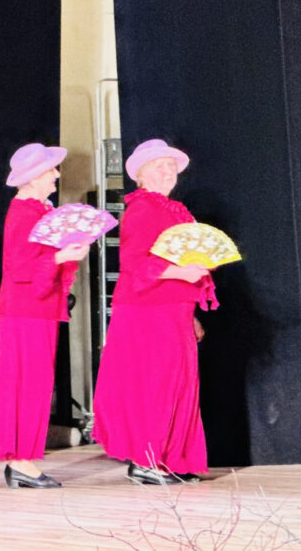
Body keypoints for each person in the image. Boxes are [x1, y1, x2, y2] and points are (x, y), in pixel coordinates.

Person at [93, 139, 216, 484]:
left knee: (177, 385)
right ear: (142, 174)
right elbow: (134, 263)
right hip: (147, 311)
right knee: (154, 384)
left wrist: (190, 311)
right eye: (159, 166)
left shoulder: (174, 210)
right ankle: (145, 461)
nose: (167, 172)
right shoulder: (143, 208)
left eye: (171, 166)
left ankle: (167, 460)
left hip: (173, 310)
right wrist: (181, 272)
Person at [0, 143, 87, 488]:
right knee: (25, 383)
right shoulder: (24, 212)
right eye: (50, 170)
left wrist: (67, 253)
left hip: (37, 310)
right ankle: (20, 460)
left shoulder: (39, 211)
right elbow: (20, 267)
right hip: (24, 312)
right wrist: (60, 257)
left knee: (35, 384)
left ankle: (22, 460)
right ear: (33, 176)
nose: (56, 174)